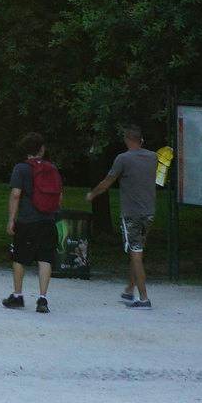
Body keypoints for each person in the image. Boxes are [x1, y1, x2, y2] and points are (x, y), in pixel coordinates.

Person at [86, 125, 158, 309]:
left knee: (135, 254)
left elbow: (107, 183)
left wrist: (92, 194)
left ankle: (144, 298)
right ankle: (129, 289)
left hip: (131, 214)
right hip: (149, 212)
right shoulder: (153, 157)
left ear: (127, 139)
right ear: (141, 140)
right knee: (138, 250)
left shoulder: (123, 159)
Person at [4, 132, 61, 313]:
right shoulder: (52, 168)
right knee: (45, 258)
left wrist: (11, 219)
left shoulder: (21, 168)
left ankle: (17, 296)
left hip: (27, 220)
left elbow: (16, 194)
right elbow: (59, 197)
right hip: (47, 220)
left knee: (19, 258)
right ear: (41, 150)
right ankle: (42, 299)